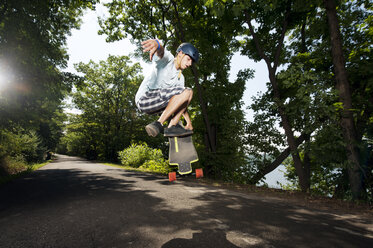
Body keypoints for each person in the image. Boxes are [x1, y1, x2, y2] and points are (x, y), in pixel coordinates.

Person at [135, 39, 199, 137]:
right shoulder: (168, 60)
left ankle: (172, 126)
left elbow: (182, 101)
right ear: (181, 53)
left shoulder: (180, 78)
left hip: (155, 106)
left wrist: (188, 122)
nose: (190, 64)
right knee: (188, 91)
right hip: (145, 98)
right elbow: (161, 52)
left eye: (192, 62)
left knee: (187, 93)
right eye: (188, 59)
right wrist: (157, 44)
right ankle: (159, 123)